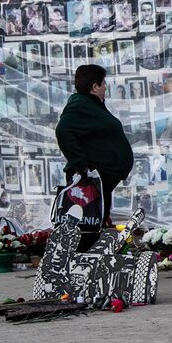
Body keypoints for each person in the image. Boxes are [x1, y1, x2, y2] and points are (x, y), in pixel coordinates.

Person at [54, 65, 134, 245]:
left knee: (95, 221)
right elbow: (63, 131)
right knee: (86, 223)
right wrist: (82, 165)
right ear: (95, 86)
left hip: (100, 179)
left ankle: (90, 261)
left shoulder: (92, 104)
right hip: (89, 179)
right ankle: (80, 263)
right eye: (103, 83)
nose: (106, 87)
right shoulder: (80, 104)